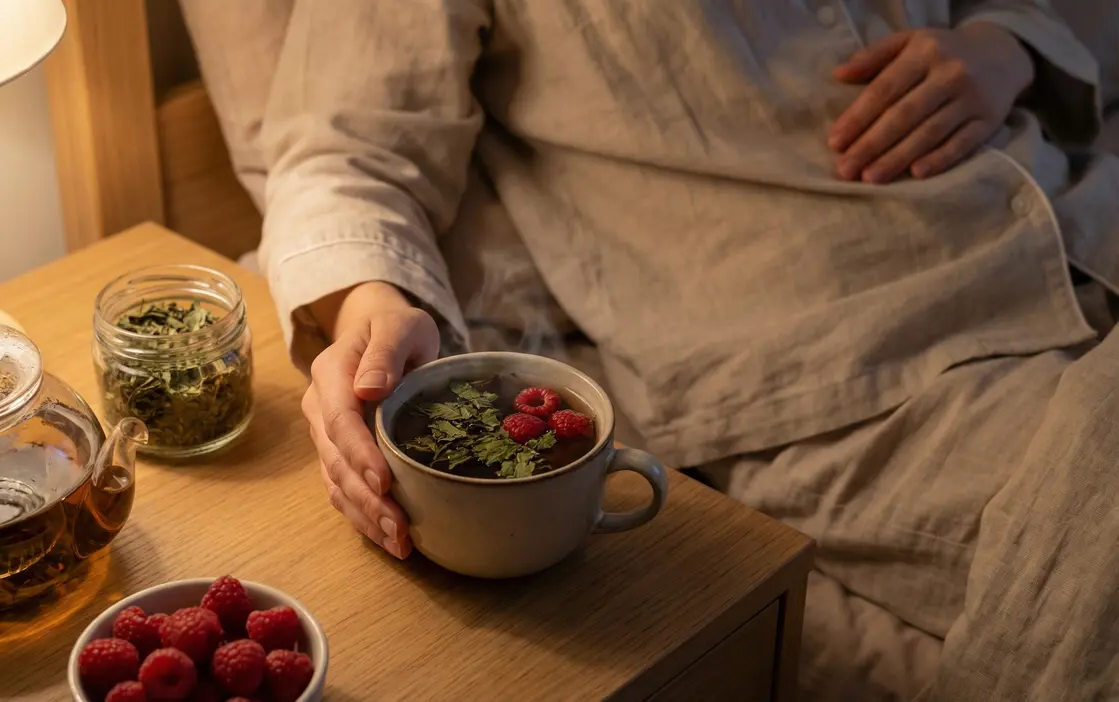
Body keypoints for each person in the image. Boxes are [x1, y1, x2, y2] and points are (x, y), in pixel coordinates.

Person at [241, 1, 1119, 699]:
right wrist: (368, 300)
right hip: (853, 360)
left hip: (1078, 218)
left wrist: (1009, 42)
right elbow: (343, 152)